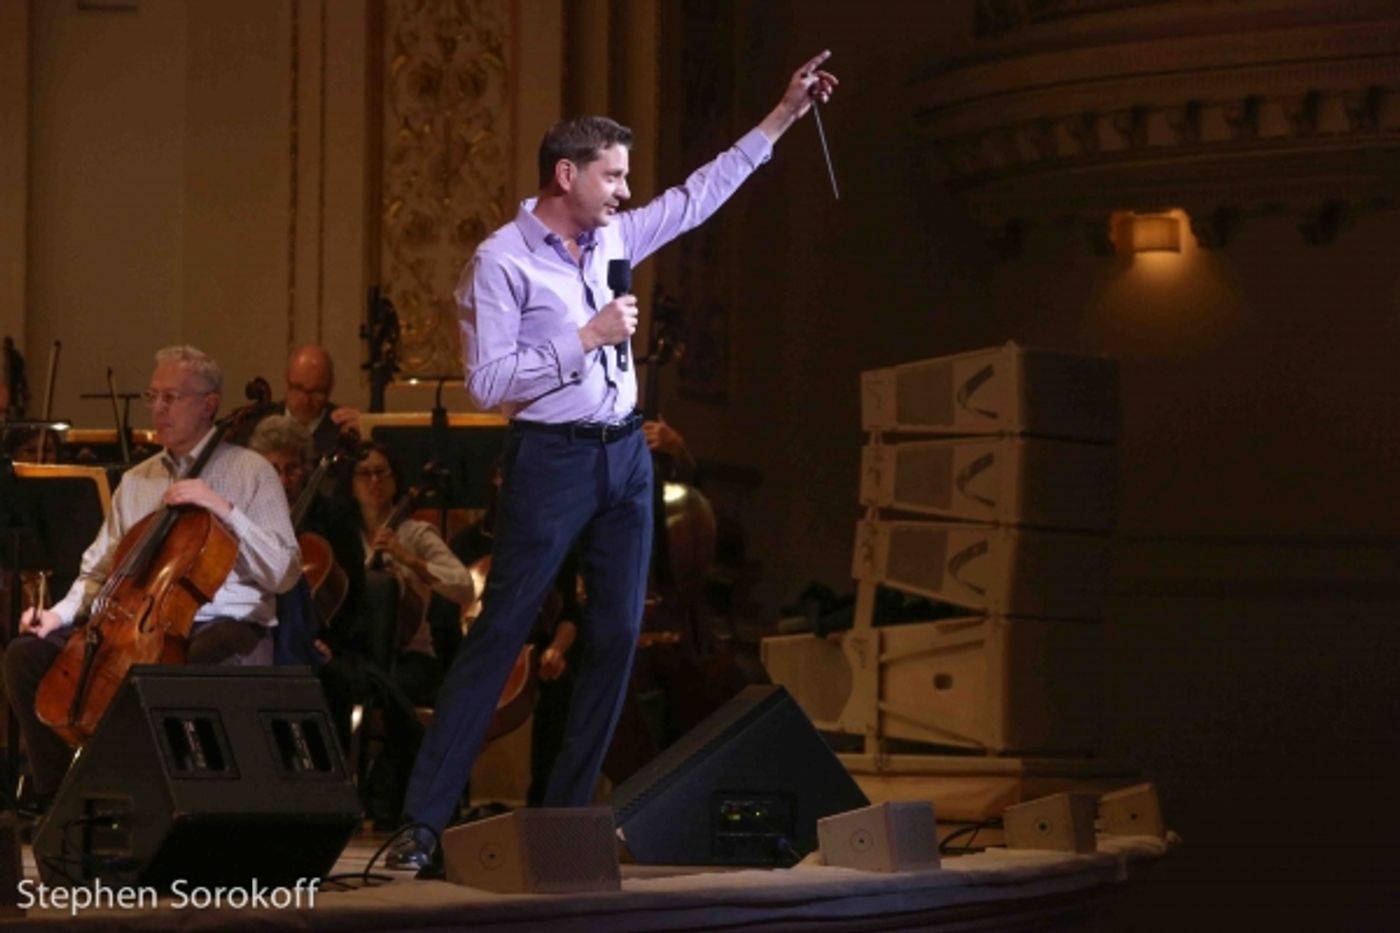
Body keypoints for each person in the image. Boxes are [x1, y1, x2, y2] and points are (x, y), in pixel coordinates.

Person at [387, 52, 838, 872]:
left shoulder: (616, 237)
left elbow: (702, 192)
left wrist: (784, 114)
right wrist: (583, 336)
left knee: (618, 633)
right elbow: (489, 384)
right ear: (568, 175)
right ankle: (419, 825)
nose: (627, 191)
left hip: (625, 456)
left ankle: (558, 822)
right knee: (500, 636)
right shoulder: (501, 261)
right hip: (550, 460)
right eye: (614, 176)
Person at [4, 345, 301, 809]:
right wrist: (58, 615)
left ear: (209, 405)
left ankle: (182, 808)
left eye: (172, 397)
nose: (158, 407)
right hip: (134, 627)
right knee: (26, 656)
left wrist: (223, 509)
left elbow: (283, 573)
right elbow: (101, 568)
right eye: (154, 396)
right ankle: (61, 803)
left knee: (188, 661)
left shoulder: (251, 472)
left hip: (226, 628)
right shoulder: (137, 480)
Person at [348, 442, 476, 707]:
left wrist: (409, 560)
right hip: (358, 653)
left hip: (410, 656)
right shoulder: (345, 534)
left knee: (385, 687)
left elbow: (464, 586)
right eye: (364, 473)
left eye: (381, 472)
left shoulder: (417, 533)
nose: (374, 480)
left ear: (395, 480)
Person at [234, 345, 361, 458]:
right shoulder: (253, 427)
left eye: (316, 392)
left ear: (330, 387)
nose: (305, 400)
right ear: (286, 381)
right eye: (298, 388)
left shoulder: (345, 432)